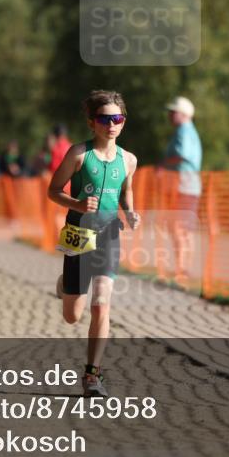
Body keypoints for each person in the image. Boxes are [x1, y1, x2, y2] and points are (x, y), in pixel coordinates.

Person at [47, 90, 140, 398]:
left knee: (101, 304)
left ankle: (92, 376)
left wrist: (130, 212)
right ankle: (64, 285)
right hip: (78, 232)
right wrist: (76, 203)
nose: (111, 124)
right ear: (92, 123)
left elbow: (126, 192)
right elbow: (53, 190)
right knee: (72, 315)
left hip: (109, 234)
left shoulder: (129, 160)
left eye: (117, 118)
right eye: (104, 119)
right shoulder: (78, 154)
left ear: (123, 122)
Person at [162, 96, 202, 280]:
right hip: (190, 185)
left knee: (178, 227)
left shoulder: (184, 131)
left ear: (184, 114)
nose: (170, 114)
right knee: (185, 229)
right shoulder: (189, 130)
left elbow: (182, 154)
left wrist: (163, 165)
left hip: (183, 185)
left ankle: (181, 270)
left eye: (174, 111)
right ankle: (184, 268)